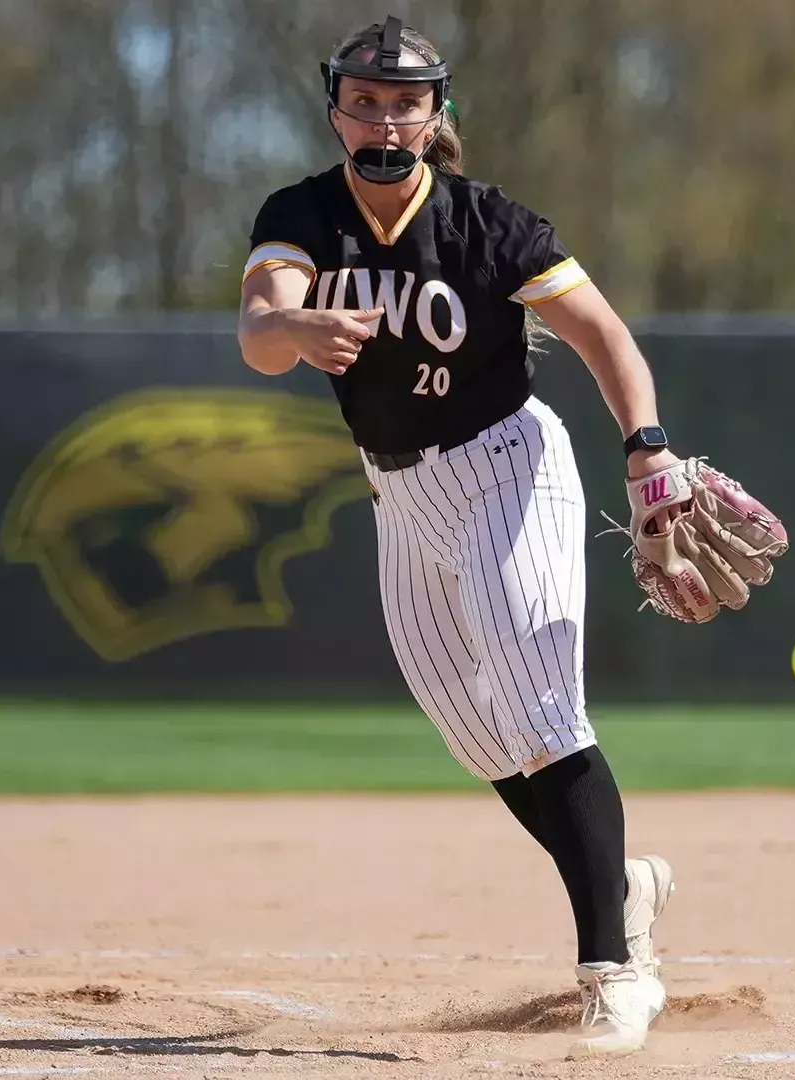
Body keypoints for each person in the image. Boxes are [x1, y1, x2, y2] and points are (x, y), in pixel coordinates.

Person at [235, 15, 686, 1058]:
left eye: (405, 101)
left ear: (438, 113)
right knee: (478, 737)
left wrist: (649, 449)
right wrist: (295, 329)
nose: (384, 118)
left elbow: (603, 335)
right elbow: (261, 329)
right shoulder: (302, 215)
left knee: (539, 709)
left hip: (507, 469)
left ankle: (615, 972)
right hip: (399, 496)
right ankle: (617, 879)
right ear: (335, 109)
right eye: (364, 99)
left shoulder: (492, 226)